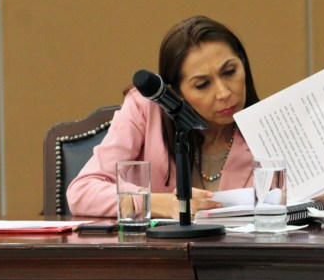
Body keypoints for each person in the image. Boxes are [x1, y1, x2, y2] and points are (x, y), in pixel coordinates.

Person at [67, 15, 260, 218]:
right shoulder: (145, 109)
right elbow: (82, 191)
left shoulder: (271, 124)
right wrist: (161, 204)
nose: (223, 93)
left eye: (230, 72)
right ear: (177, 91)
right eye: (202, 84)